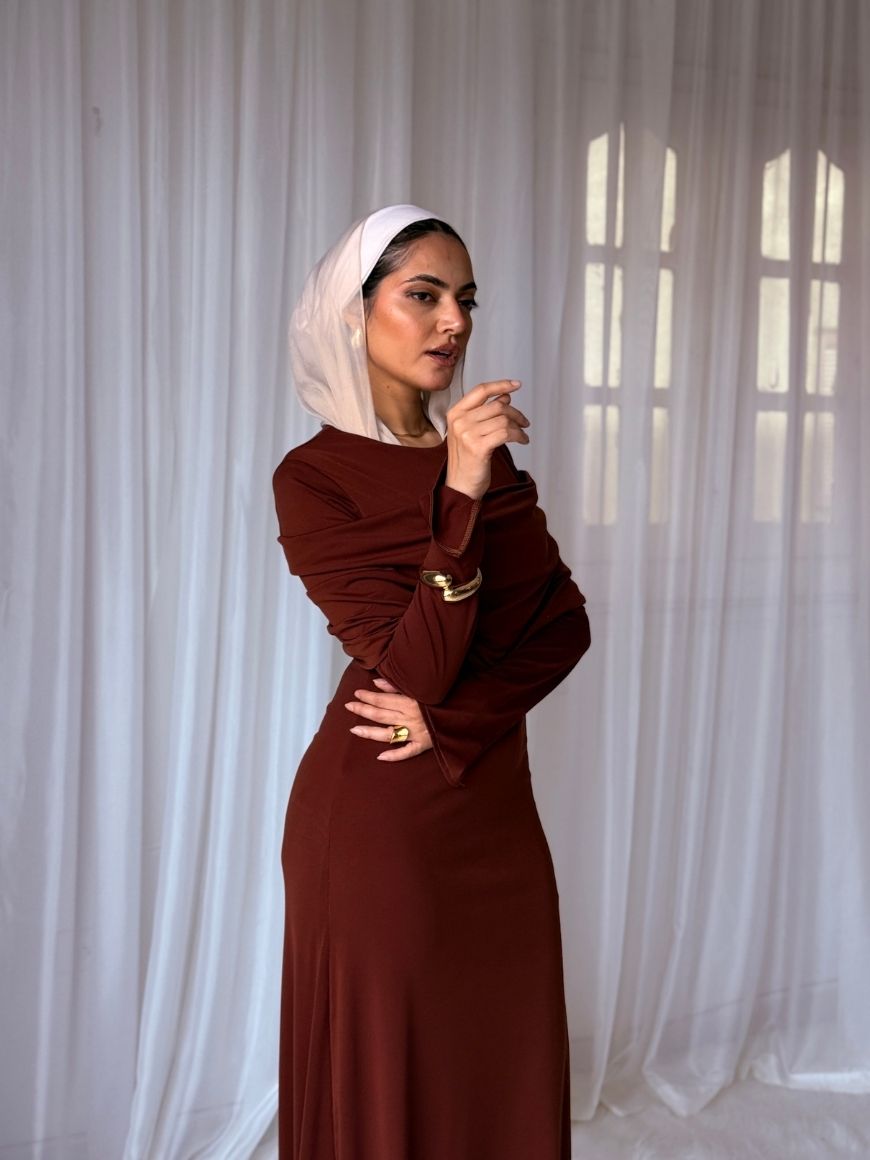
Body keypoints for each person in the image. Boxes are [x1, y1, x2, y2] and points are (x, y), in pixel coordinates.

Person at [273, 204, 591, 1159]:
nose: (454, 321)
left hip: (489, 804)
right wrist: (458, 490)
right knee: (390, 1083)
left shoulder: (491, 459)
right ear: (354, 313)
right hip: (381, 825)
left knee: (503, 1061)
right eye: (423, 295)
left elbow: (564, 630)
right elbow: (417, 667)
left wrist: (457, 725)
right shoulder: (314, 479)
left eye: (466, 300)